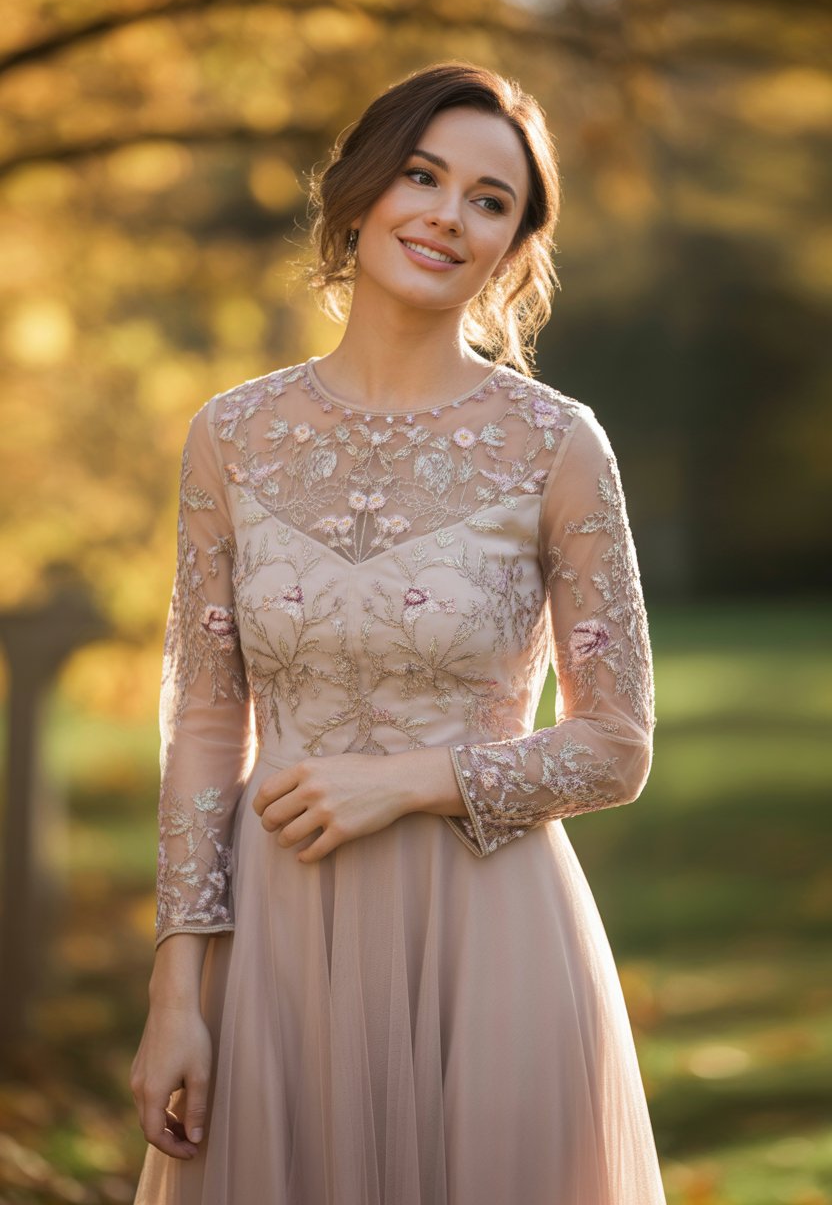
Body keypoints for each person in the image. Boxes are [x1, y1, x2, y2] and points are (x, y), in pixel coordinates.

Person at [130, 60, 667, 1205]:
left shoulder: (556, 443)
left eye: (490, 200)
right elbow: (204, 728)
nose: (446, 215)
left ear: (512, 248)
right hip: (274, 947)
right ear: (361, 191)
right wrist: (178, 992)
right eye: (422, 175)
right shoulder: (230, 436)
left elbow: (617, 745)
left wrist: (411, 781)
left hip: (489, 942)